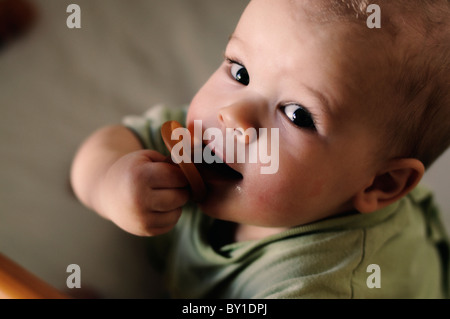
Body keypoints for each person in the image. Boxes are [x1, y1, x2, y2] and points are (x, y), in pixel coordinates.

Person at [70, 0, 450, 298]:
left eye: (298, 114)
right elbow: (107, 146)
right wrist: (110, 183)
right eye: (239, 71)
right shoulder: (206, 140)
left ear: (380, 183)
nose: (233, 114)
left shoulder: (314, 285)